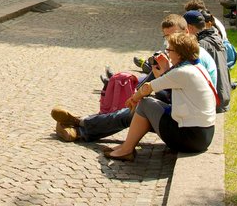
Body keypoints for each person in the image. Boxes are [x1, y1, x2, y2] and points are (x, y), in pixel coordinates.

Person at [54, 15, 217, 144]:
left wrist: (145, 89)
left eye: (172, 37)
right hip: (187, 112)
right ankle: (82, 126)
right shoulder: (188, 53)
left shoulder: (191, 59)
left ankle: (81, 125)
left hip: (189, 120)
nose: (168, 43)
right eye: (166, 37)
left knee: (137, 110)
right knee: (137, 110)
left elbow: (157, 89)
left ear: (187, 32)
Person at [103, 33, 217, 160]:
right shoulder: (197, 67)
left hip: (190, 137)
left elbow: (147, 87)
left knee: (145, 104)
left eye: (169, 50)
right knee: (150, 104)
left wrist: (133, 98)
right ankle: (126, 146)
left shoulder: (182, 72)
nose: (168, 54)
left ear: (179, 53)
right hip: (203, 134)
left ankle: (126, 149)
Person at [184, 10, 232, 113]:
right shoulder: (215, 37)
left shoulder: (201, 45)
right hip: (224, 96)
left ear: (190, 27)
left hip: (214, 101)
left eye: (183, 29)